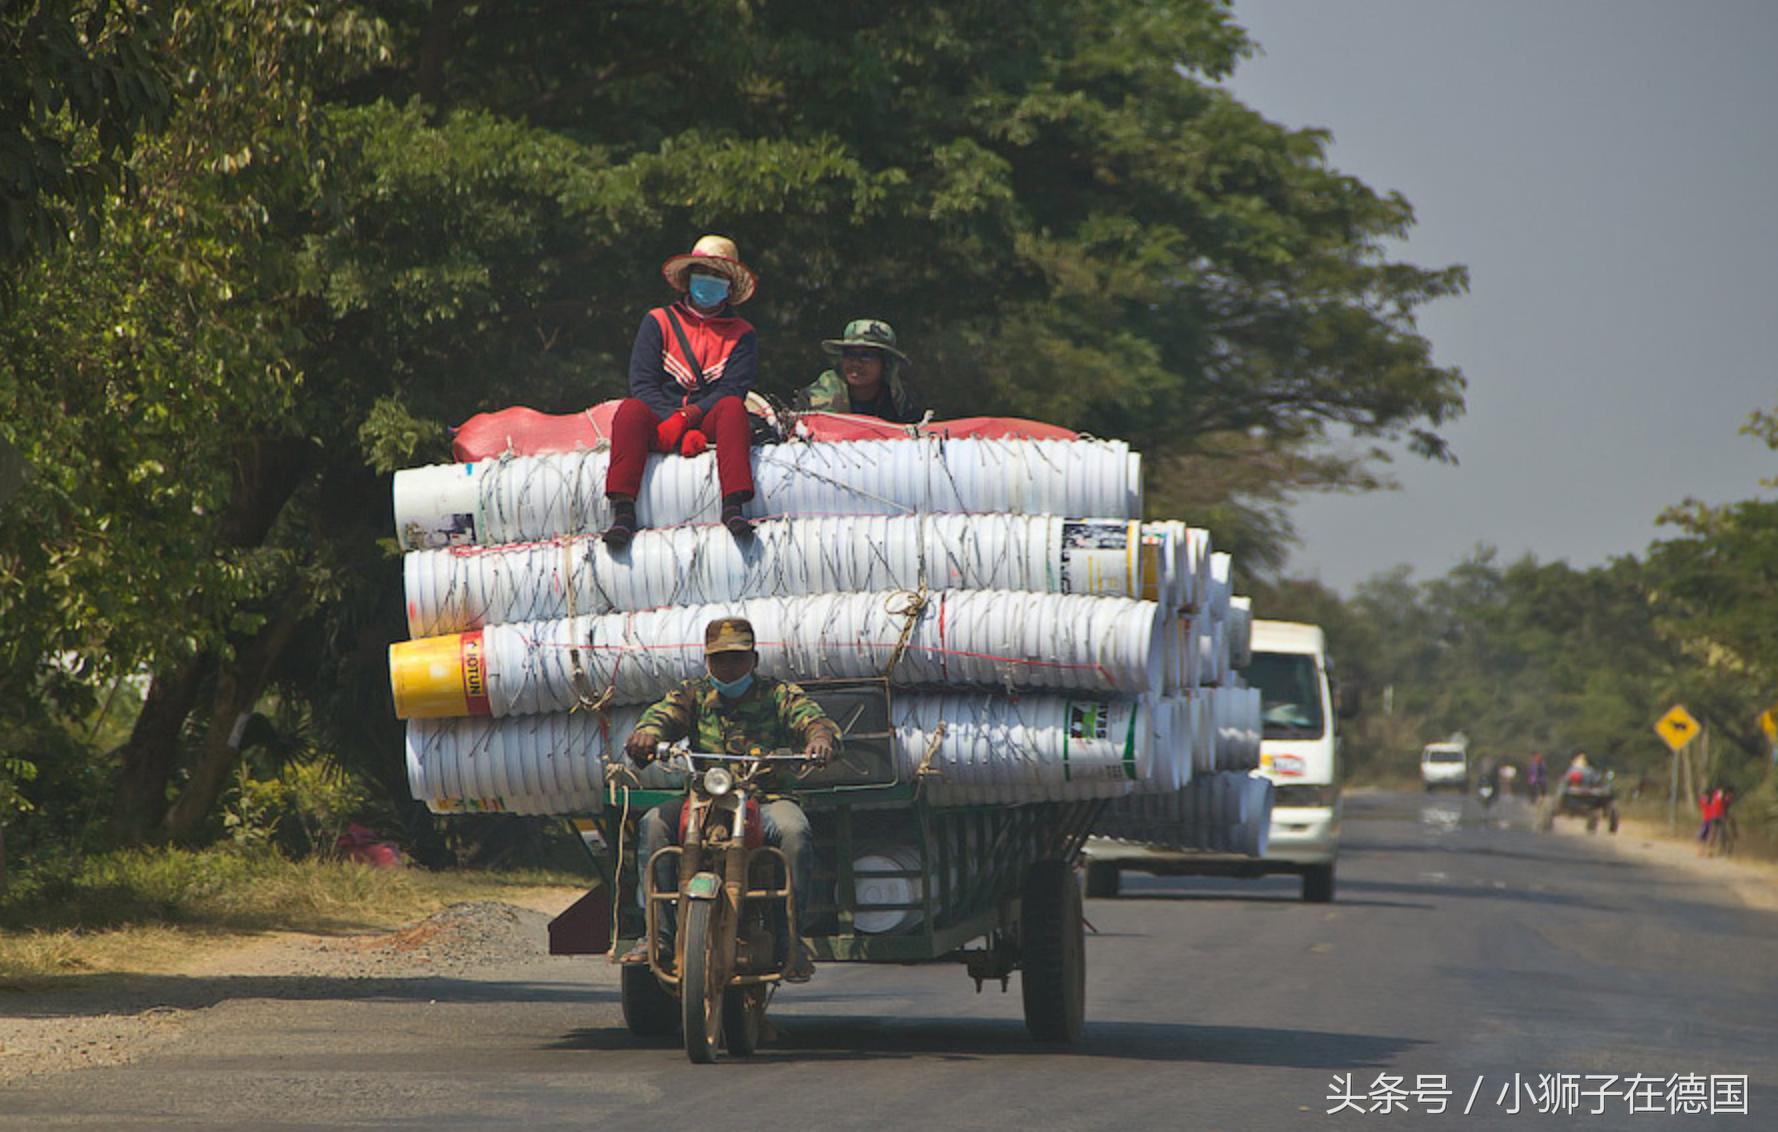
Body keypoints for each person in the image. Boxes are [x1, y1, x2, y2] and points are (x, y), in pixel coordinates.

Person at [622, 617, 840, 982]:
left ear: (753, 660)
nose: (728, 667)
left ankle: (790, 941)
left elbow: (812, 720)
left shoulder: (777, 695)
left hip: (765, 798)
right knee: (653, 825)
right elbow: (662, 716)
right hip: (706, 796)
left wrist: (820, 739)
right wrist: (646, 734)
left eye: (737, 659)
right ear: (707, 661)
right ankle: (656, 937)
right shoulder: (692, 694)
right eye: (720, 659)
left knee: (794, 832)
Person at [604, 235, 761, 548]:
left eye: (718, 276)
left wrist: (688, 418)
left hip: (707, 417)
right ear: (689, 278)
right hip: (660, 417)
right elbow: (643, 383)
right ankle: (623, 511)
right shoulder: (657, 322)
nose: (709, 282)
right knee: (629, 411)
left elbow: (733, 387)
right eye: (703, 272)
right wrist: (673, 423)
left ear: (729, 287)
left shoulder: (742, 334)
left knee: (732, 409)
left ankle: (733, 505)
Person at [798, 318, 925, 423]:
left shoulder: (905, 404)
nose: (856, 363)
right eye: (850, 354)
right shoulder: (811, 400)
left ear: (886, 364)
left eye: (867, 356)